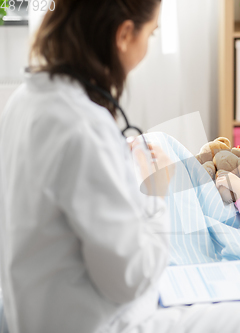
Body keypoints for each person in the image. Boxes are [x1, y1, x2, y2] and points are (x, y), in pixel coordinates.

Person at [0, 1, 170, 333]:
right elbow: (129, 279)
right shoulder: (83, 128)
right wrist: (156, 195)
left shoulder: (23, 101)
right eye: (151, 33)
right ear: (124, 34)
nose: (148, 44)